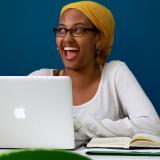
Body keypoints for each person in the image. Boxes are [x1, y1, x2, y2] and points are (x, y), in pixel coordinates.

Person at [30, 1, 160, 142]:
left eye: (78, 30)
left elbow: (152, 126)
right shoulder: (40, 79)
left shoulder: (115, 74)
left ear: (99, 38)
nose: (67, 39)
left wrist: (83, 127)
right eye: (61, 30)